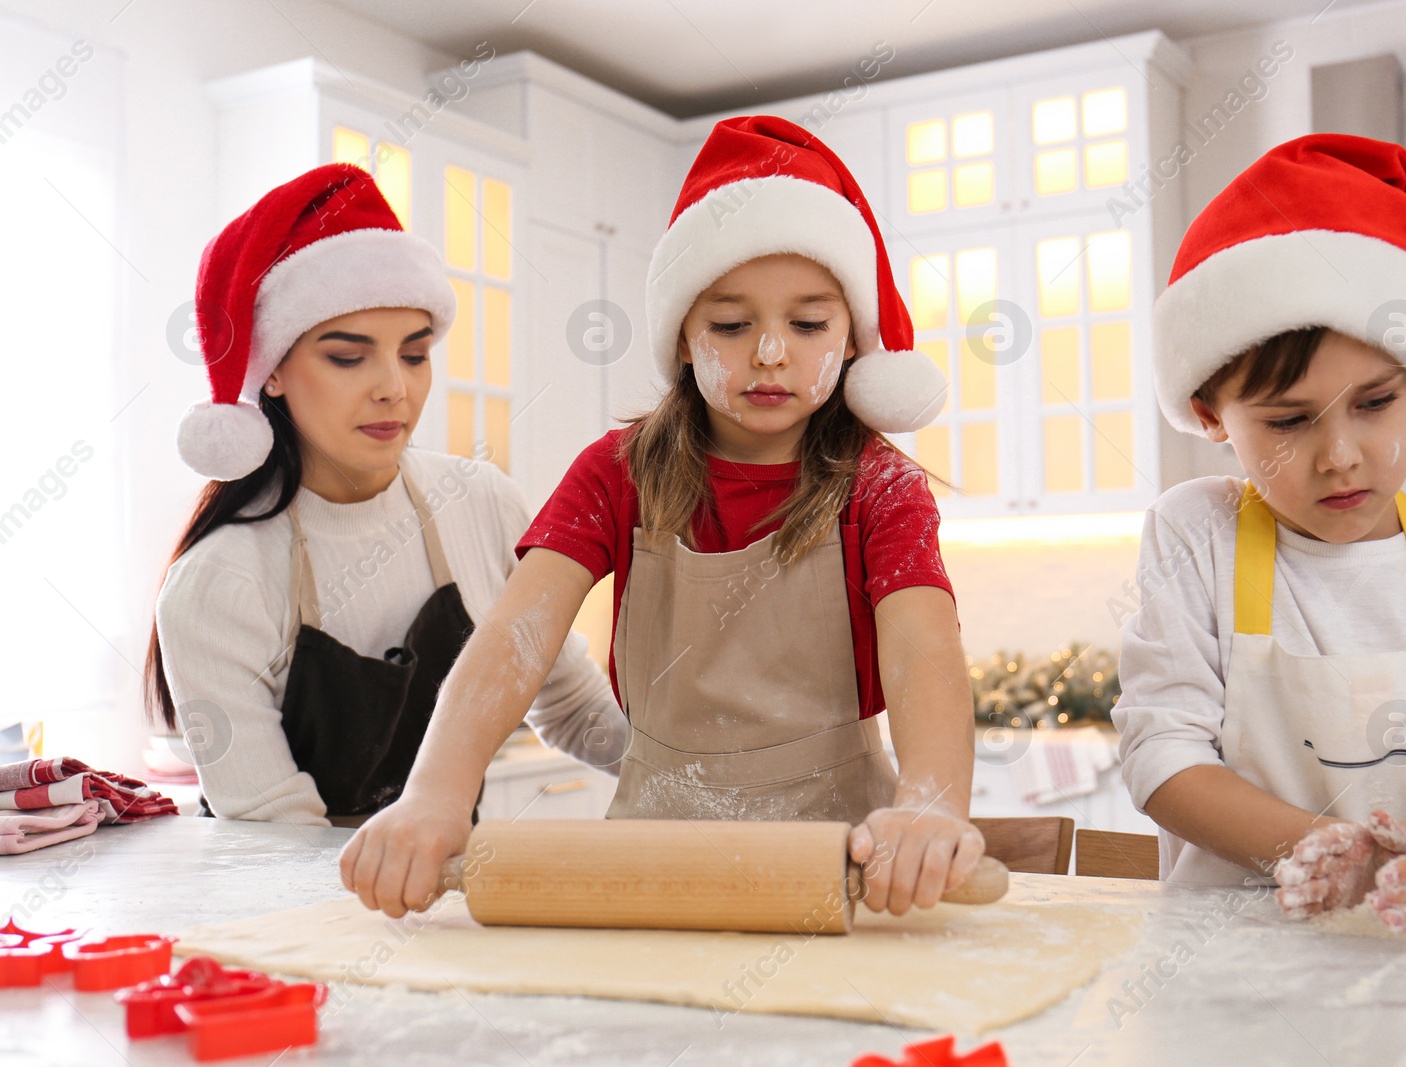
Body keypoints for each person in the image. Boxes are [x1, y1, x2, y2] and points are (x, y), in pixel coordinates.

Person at [340, 115, 983, 920]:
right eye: (731, 322)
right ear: (681, 334)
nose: (772, 352)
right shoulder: (619, 473)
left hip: (848, 866)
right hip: (658, 865)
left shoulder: (880, 488)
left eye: (808, 323)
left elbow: (924, 649)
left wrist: (930, 802)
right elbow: (515, 633)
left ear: (853, 337)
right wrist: (437, 789)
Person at [1114, 134, 1406, 952]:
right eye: (1289, 420)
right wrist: (1333, 854)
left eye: (1376, 403)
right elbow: (1162, 755)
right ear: (1209, 414)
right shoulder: (1196, 534)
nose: (1340, 455)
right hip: (1229, 978)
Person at [147, 164, 626, 827]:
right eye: (349, 357)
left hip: (444, 890)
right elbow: (272, 826)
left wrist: (699, 788)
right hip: (293, 913)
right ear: (275, 369)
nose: (393, 388)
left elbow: (567, 699)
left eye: (414, 354)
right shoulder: (217, 581)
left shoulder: (480, 503)